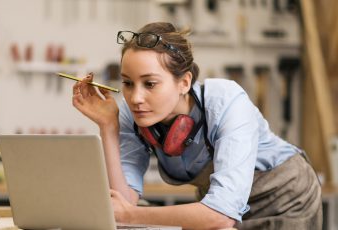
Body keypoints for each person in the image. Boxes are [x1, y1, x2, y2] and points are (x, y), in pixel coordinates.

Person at [71, 22, 322, 230]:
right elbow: (122, 203)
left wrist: (133, 215)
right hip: (217, 208)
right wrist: (109, 128)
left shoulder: (226, 102)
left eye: (150, 84)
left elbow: (221, 214)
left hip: (285, 197)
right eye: (127, 83)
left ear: (184, 82)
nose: (136, 98)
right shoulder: (131, 115)